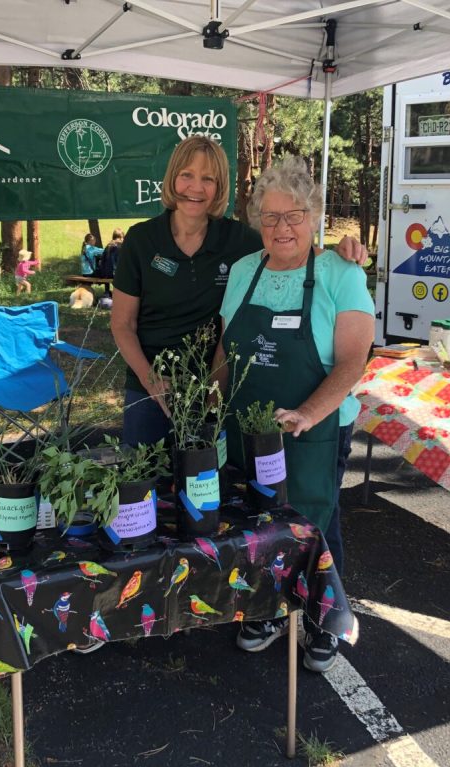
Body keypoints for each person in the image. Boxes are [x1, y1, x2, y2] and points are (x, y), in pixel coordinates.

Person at [215, 155, 374, 674]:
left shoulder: (339, 273)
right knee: (255, 521)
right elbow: (225, 351)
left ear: (314, 217)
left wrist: (307, 412)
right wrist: (209, 401)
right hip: (247, 427)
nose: (282, 227)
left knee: (317, 521)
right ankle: (264, 608)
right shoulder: (244, 271)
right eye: (270, 216)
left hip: (317, 427)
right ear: (257, 220)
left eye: (295, 215)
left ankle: (322, 616)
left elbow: (354, 359)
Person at [111, 136, 367, 447]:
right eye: (186, 175)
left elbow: (293, 244)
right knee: (146, 484)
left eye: (209, 179)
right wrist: (150, 379)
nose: (196, 187)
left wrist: (344, 249)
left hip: (216, 390)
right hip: (153, 387)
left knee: (206, 485)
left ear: (219, 188)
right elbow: (123, 324)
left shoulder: (239, 241)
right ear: (172, 178)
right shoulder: (142, 240)